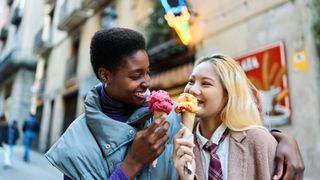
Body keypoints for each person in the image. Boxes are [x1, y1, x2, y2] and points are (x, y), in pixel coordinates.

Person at [45, 28, 304, 179]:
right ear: (105, 76)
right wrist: (133, 162)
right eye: (136, 76)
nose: (147, 82)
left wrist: (279, 140)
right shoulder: (75, 146)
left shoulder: (168, 115)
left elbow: (224, 127)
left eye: (148, 72)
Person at [172, 53, 304, 180]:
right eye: (191, 81)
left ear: (228, 94)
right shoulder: (179, 144)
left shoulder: (260, 141)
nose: (192, 89)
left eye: (206, 83)